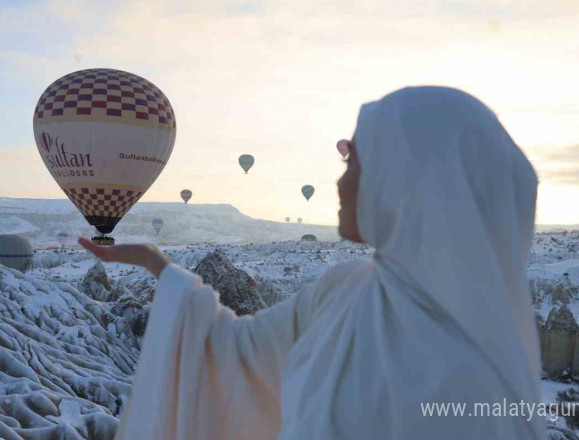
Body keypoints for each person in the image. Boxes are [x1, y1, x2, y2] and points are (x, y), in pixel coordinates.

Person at [80, 86, 545, 439]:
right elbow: (236, 352)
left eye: (354, 162)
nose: (339, 182)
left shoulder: (474, 390)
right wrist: (160, 267)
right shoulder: (346, 289)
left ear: (410, 183)